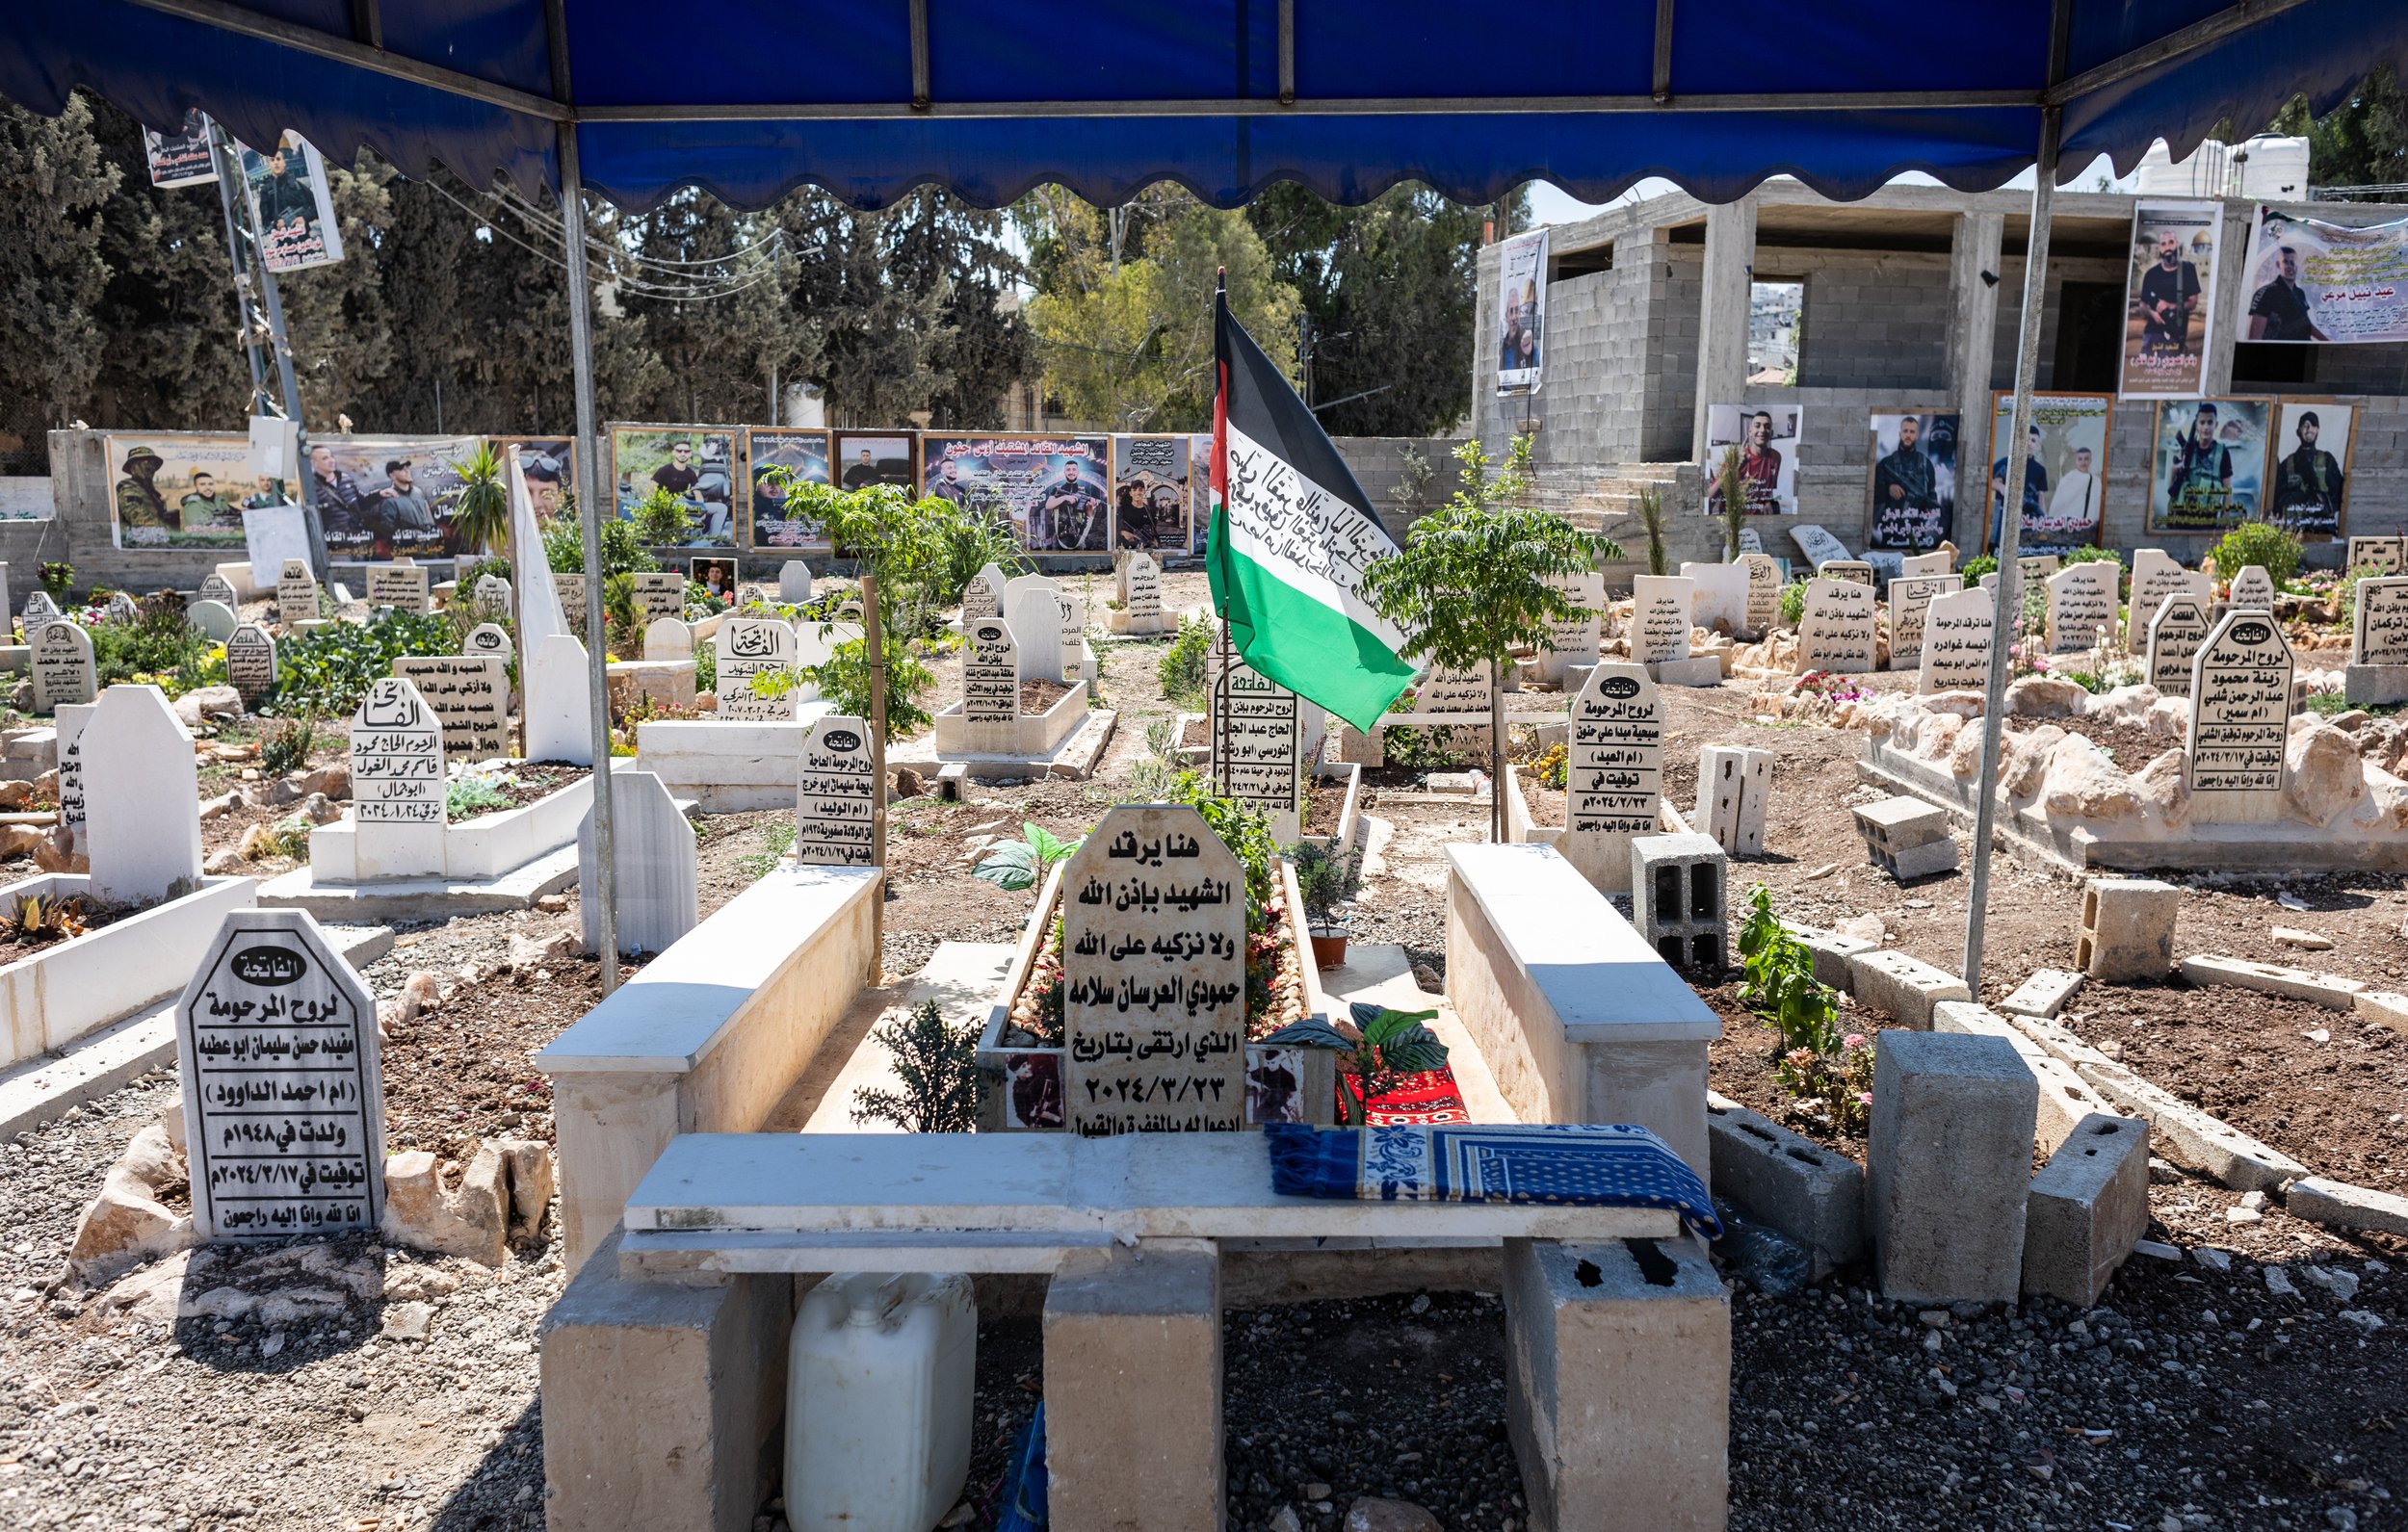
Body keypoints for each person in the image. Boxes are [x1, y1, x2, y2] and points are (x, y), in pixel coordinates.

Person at [2273, 409, 2345, 529]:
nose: (2309, 429)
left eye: (2313, 425)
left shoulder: (2327, 460)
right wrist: (2294, 497)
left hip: (2322, 526)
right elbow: (2276, 497)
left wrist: (2324, 504)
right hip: (2294, 527)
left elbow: (2339, 492)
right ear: (2298, 431)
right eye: (2305, 425)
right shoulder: (2288, 463)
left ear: (2317, 430)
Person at [2164, 402, 2234, 519]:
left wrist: (2224, 520)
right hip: (2183, 518)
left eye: (2210, 422)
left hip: (2207, 521)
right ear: (2197, 425)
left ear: (2216, 425)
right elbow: (2173, 489)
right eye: (2202, 422)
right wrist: (2174, 471)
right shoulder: (2186, 450)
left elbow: (2228, 491)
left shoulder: (2222, 453)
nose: (2206, 427)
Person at [2136, 229, 2201, 354]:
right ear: (2160, 249)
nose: (2168, 247)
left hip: (2175, 332)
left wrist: (2171, 306)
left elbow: (2193, 302)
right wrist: (2152, 314)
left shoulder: (2188, 269)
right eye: (2163, 244)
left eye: (2171, 242)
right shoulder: (2151, 274)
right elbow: (2142, 305)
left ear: (2177, 244)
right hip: (2152, 333)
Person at [2247, 246, 2330, 343]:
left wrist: (2327, 341)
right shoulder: (2266, 293)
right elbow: (2254, 338)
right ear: (2278, 265)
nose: (2290, 267)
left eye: (2293, 263)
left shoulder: (2300, 293)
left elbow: (2305, 324)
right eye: (2286, 262)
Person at [1990, 423, 2051, 552]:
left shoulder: (2040, 470)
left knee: (2026, 549)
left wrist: (2044, 519)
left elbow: (2041, 498)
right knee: (1997, 547)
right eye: (2026, 439)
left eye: (2033, 440)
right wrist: (2001, 487)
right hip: (2004, 513)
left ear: (2037, 446)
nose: (2029, 443)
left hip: (2028, 517)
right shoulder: (2006, 463)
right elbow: (1987, 479)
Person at [1871, 415, 1936, 527]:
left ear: (1916, 435)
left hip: (1918, 529)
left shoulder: (1926, 464)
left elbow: (1932, 491)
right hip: (1892, 529)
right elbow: (1873, 493)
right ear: (1900, 434)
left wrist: (1930, 505)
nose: (1908, 435)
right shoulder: (1887, 464)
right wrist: (1888, 489)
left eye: (1912, 432)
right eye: (1905, 431)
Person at [114, 445, 172, 532]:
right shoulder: (128, 489)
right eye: (144, 463)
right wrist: (170, 531)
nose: (150, 467)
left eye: (152, 463)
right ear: (133, 468)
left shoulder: (149, 491)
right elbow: (140, 520)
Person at [380, 458, 438, 544]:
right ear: (392, 475)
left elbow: (430, 520)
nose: (407, 471)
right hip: (408, 552)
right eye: (402, 469)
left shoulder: (418, 492)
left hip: (429, 550)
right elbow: (388, 532)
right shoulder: (389, 500)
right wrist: (412, 535)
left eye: (407, 467)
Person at [2047, 446, 2099, 530]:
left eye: (2086, 459)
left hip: (2087, 526)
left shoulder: (2096, 481)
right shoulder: (2067, 480)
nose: (2083, 462)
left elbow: (2097, 505)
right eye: (2080, 459)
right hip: (2067, 525)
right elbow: (2057, 505)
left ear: (2090, 460)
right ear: (2076, 461)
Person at [175, 469, 240, 529]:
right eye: (202, 484)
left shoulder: (219, 501)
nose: (208, 487)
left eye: (210, 484)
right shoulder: (192, 507)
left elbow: (235, 514)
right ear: (196, 486)